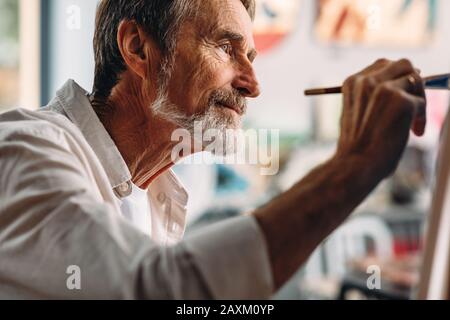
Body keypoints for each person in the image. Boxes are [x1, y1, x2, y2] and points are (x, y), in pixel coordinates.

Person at [0, 0, 426, 299]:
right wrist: (352, 167)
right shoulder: (26, 150)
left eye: (251, 56)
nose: (252, 83)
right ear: (137, 47)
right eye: (227, 48)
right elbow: (158, 290)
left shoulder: (155, 193)